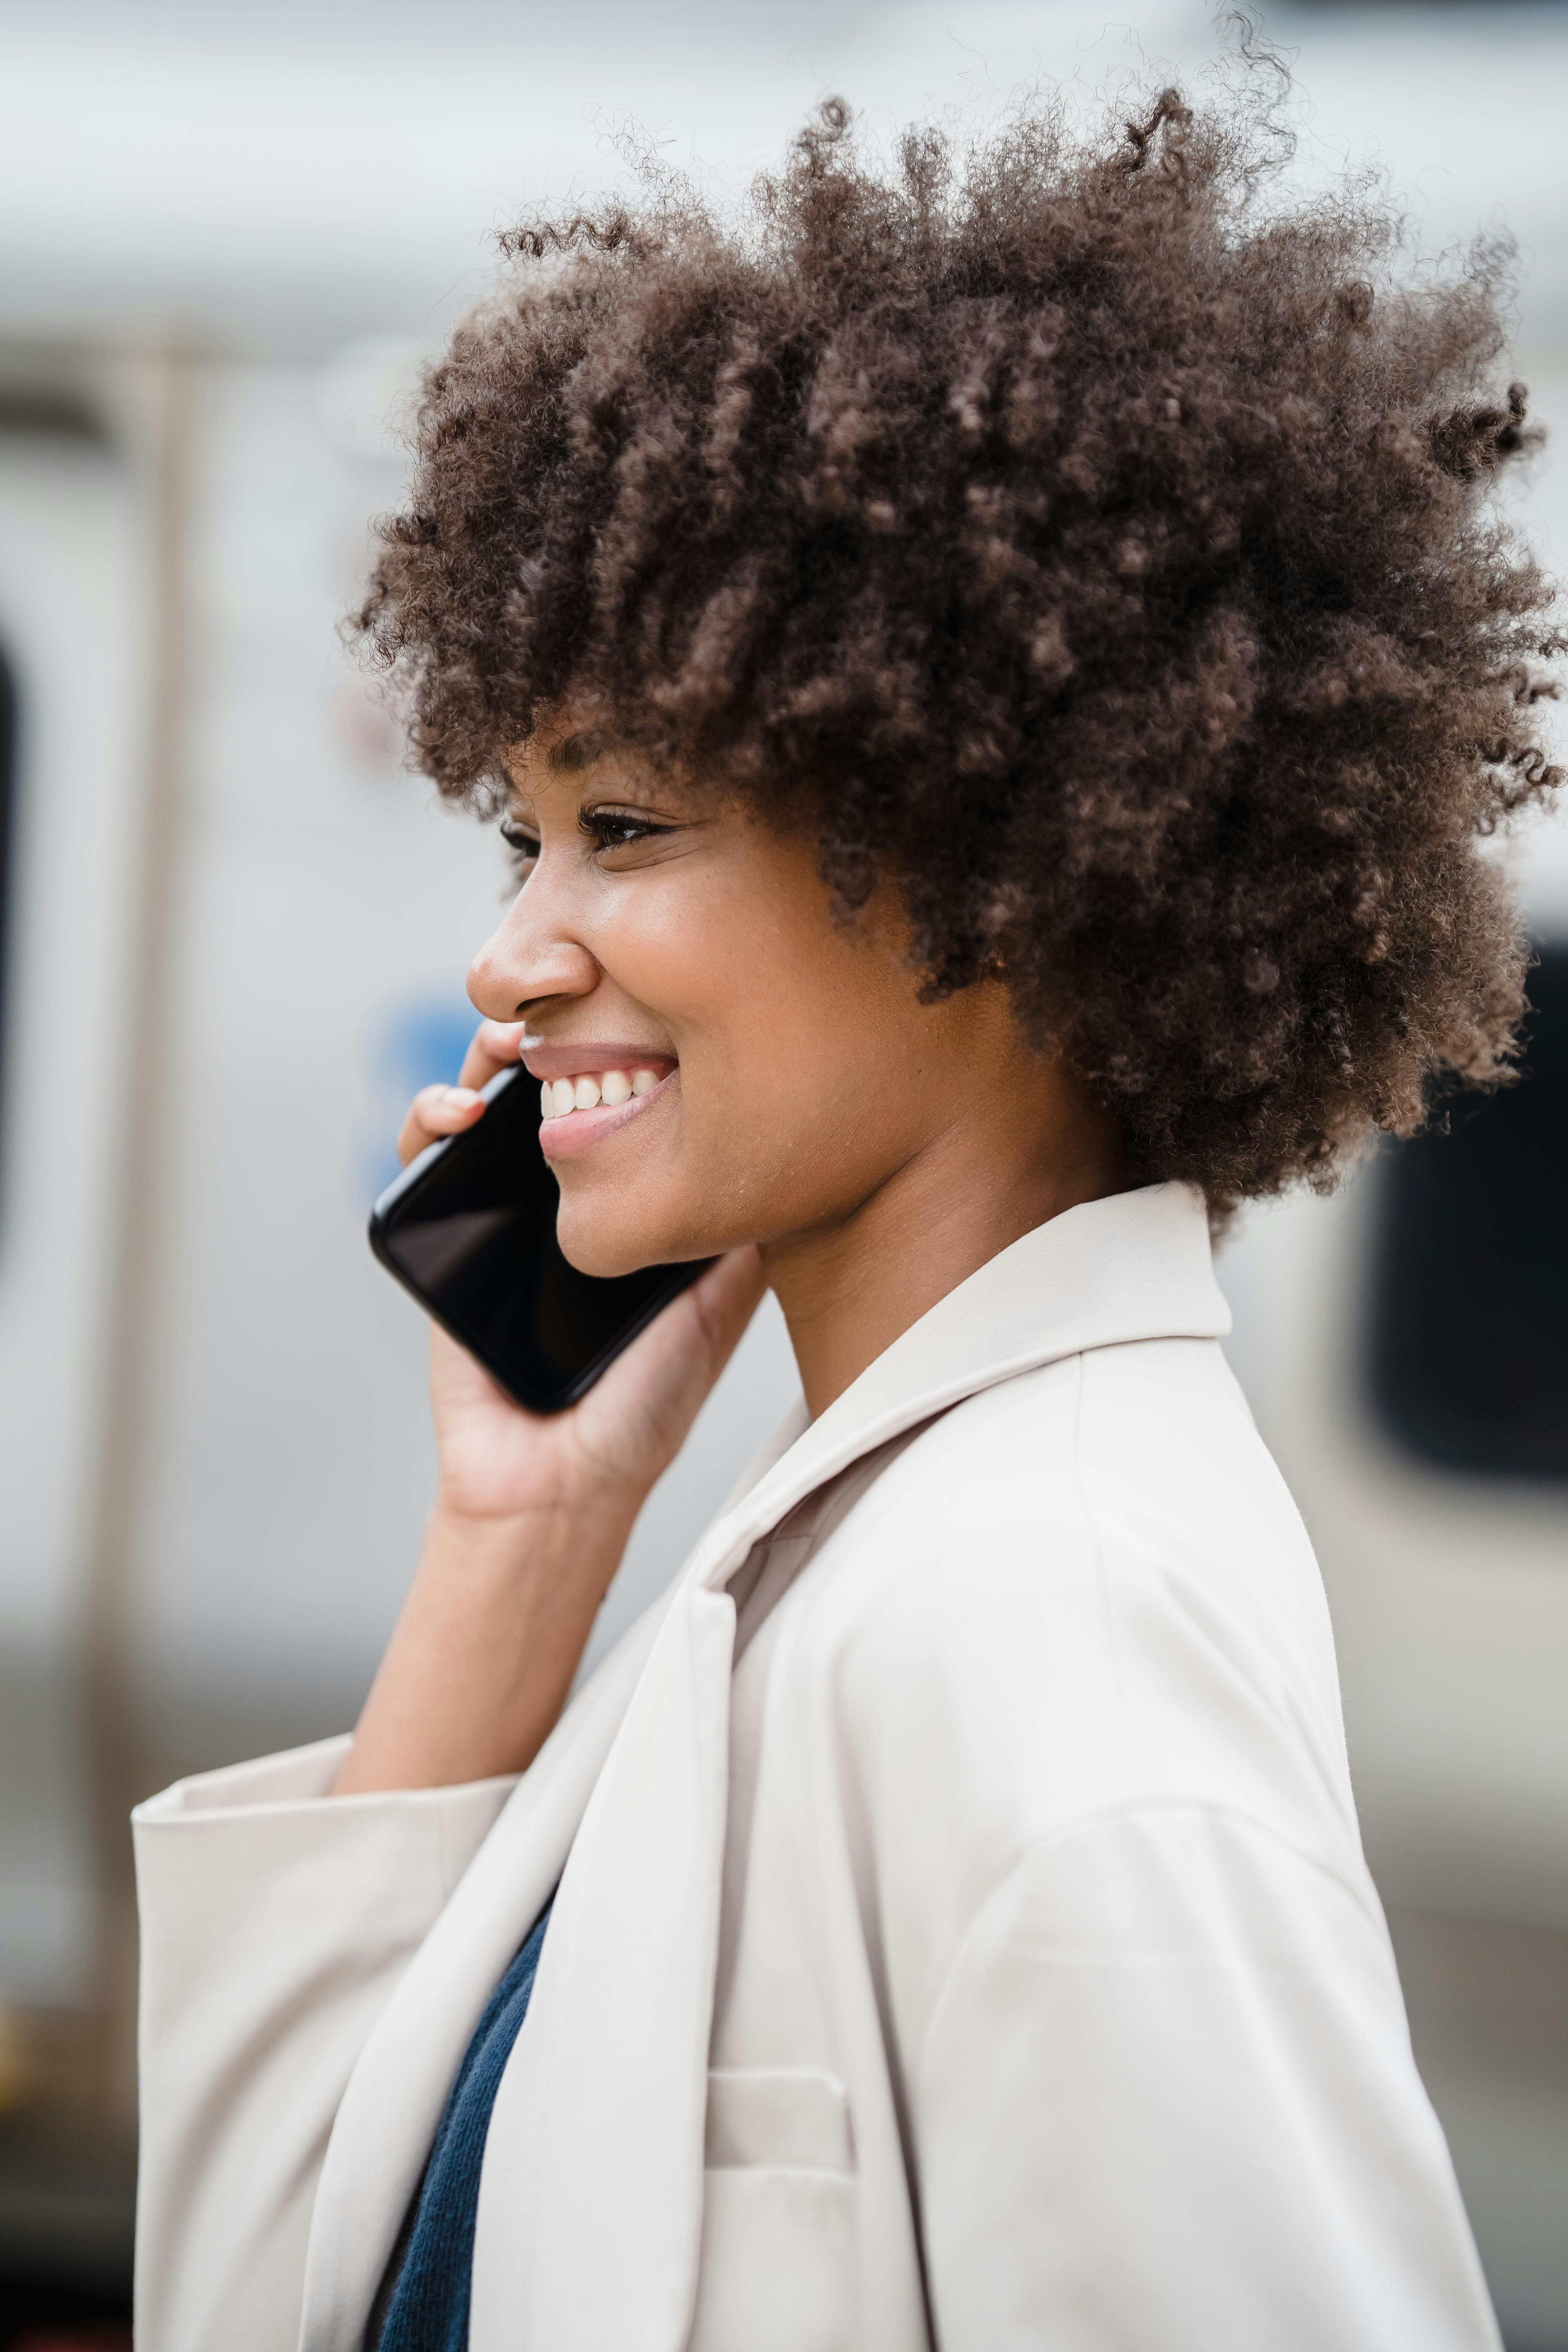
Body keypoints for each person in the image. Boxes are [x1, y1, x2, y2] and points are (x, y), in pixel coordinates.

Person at [131, 70, 1555, 2352]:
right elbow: (290, 2302)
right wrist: (519, 1539)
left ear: (995, 863)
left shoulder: (1046, 1613)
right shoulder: (855, 1551)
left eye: (629, 824)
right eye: (524, 836)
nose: (512, 949)